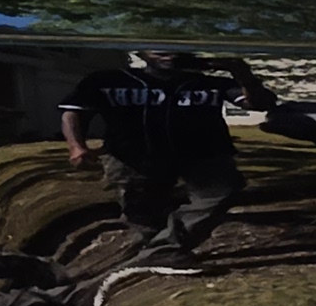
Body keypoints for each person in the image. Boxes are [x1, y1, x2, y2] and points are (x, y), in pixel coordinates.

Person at [60, 49, 264, 255]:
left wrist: (241, 72)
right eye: (161, 52)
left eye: (176, 51)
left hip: (204, 154)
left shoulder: (210, 83)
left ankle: (163, 251)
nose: (170, 56)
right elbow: (74, 112)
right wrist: (76, 146)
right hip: (133, 156)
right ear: (141, 52)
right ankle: (155, 253)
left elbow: (260, 104)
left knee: (221, 193)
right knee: (143, 215)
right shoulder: (108, 80)